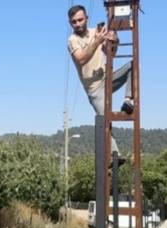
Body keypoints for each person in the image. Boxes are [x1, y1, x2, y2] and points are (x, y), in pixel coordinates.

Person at [67, 4, 133, 156]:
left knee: (132, 66)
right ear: (70, 23)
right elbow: (81, 58)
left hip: (107, 78)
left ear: (86, 19)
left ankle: (128, 99)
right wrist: (97, 41)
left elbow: (111, 52)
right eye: (74, 22)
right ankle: (114, 157)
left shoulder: (95, 32)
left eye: (80, 20)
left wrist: (114, 41)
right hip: (94, 89)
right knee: (105, 121)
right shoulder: (72, 40)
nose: (78, 24)